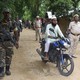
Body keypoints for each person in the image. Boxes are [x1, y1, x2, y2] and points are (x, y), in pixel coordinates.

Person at [0, 8, 19, 77]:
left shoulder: (12, 22)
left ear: (9, 14)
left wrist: (16, 41)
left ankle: (7, 70)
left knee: (9, 57)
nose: (7, 14)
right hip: (1, 43)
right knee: (1, 57)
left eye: (8, 13)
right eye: (5, 13)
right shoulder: (0, 22)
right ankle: (1, 71)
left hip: (10, 42)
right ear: (3, 14)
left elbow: (16, 31)